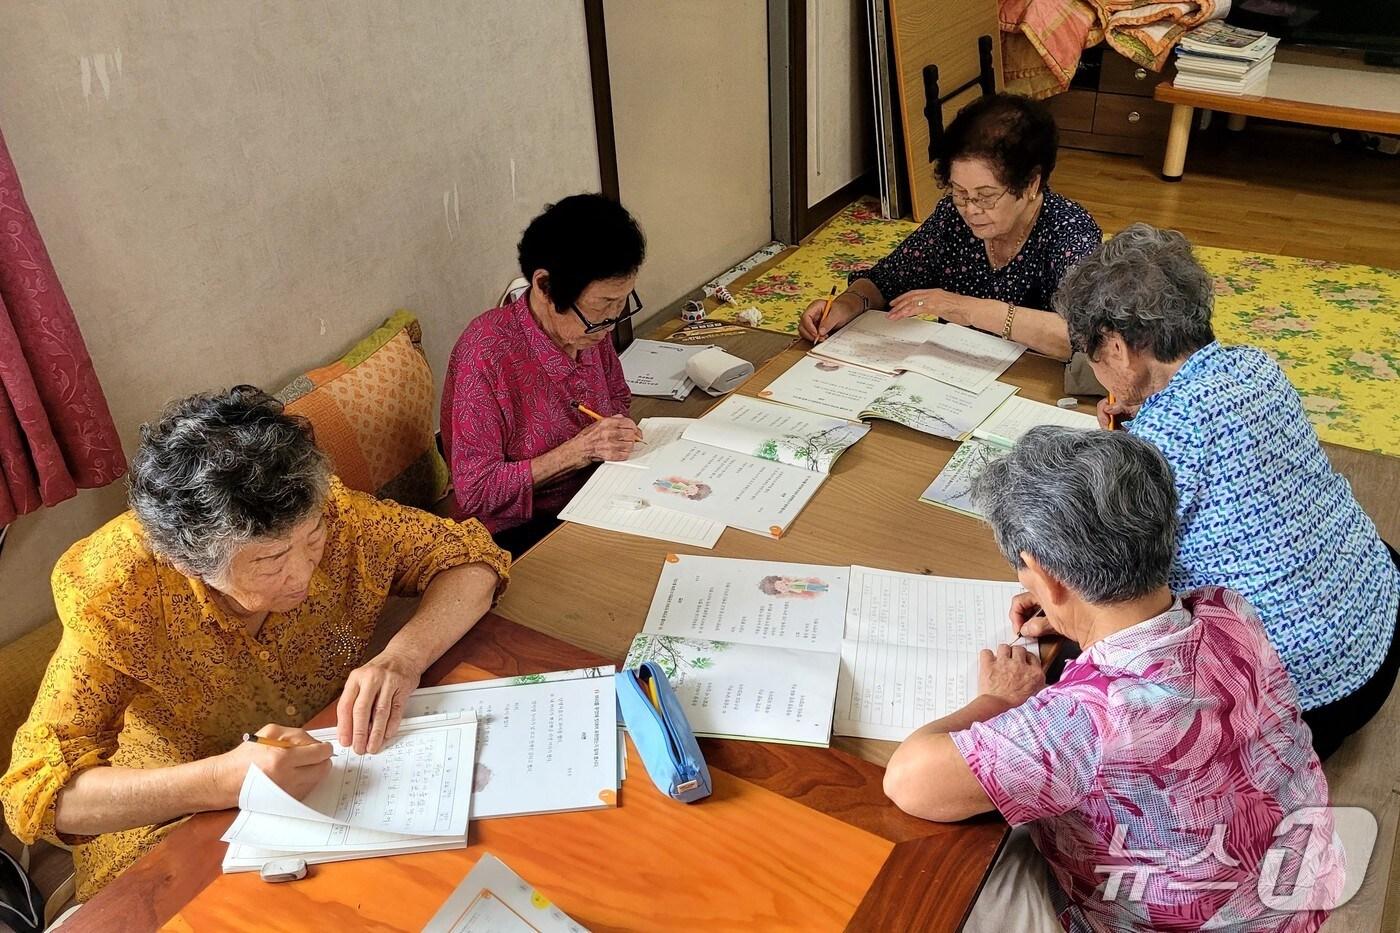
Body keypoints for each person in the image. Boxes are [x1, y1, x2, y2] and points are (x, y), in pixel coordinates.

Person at [0, 387, 509, 901]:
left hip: (336, 765)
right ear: (186, 562)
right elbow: (39, 795)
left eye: (312, 541)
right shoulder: (120, 588)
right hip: (182, 806)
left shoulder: (326, 510)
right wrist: (222, 779)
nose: (303, 573)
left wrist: (403, 657)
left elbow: (468, 558)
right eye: (269, 562)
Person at [884, 427, 1343, 932]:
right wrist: (1069, 610)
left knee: (947, 881)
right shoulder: (1228, 612)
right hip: (1291, 896)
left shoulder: (1089, 721)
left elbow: (908, 780)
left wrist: (999, 698)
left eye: (1025, 572)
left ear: (1049, 576)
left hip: (1173, 920)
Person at [1055, 223, 1400, 759]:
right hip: (1380, 631)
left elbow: (1120, 586)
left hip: (1310, 705)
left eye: (1092, 356)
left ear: (1120, 349)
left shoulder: (1161, 443)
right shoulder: (1256, 367)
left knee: (1083, 659)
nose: (1097, 372)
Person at [798, 94, 1101, 361]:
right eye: (959, 193)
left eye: (986, 196)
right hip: (956, 370)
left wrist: (968, 309)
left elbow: (1084, 337)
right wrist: (848, 304)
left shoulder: (1069, 230)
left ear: (1031, 184)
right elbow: (888, 278)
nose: (970, 209)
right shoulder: (953, 217)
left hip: (1034, 384)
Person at [442, 194, 646, 555]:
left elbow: (618, 398)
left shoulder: (589, 328)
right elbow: (475, 491)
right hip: (520, 532)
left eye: (622, 302)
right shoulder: (485, 354)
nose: (612, 320)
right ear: (544, 286)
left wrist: (617, 431)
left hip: (600, 495)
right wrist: (578, 452)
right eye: (604, 305)